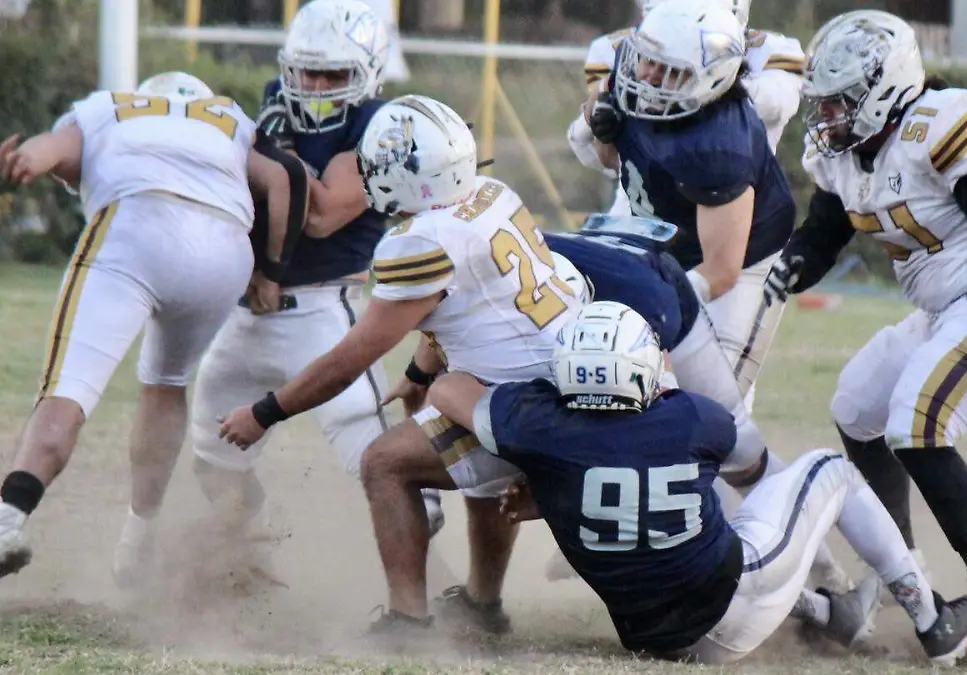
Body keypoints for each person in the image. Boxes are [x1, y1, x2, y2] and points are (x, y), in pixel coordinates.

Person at [763, 11, 967, 663]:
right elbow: (827, 229)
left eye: (840, 101)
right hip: (943, 309)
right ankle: (897, 567)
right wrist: (786, 268)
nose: (826, 117)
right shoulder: (849, 154)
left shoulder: (934, 124)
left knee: (918, 420)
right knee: (857, 404)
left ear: (883, 88)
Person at [424, 301, 967, 666]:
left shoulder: (540, 428)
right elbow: (653, 450)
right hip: (732, 608)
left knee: (702, 534)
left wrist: (546, 478)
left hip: (651, 636)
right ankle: (933, 619)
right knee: (826, 469)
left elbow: (448, 388)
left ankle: (827, 615)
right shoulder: (692, 419)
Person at [216, 94, 584, 636]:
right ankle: (482, 608)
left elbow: (348, 362)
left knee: (384, 462)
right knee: (465, 448)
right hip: (560, 385)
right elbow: (476, 310)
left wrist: (265, 413)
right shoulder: (492, 194)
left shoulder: (420, 242)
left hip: (525, 406)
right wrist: (417, 375)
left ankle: (407, 621)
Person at [119, 0, 411, 588]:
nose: (318, 86)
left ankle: (428, 592)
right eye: (308, 71)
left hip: (329, 315)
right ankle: (245, 557)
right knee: (215, 457)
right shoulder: (272, 104)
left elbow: (324, 213)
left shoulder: (382, 124)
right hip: (247, 312)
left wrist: (271, 156)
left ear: (367, 72)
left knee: (382, 463)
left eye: (334, 74)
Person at [0, 70, 300, 581]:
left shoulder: (110, 107)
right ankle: (137, 543)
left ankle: (8, 519)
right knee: (165, 383)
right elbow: (286, 177)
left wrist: (27, 160)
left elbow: (52, 151)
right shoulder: (227, 117)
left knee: (68, 391)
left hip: (136, 227)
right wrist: (271, 271)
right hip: (224, 250)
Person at [536, 218, 850, 592]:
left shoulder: (640, 306)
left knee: (719, 453)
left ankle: (831, 577)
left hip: (659, 311)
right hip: (631, 309)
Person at [586, 0, 796, 406]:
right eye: (645, 59)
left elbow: (721, 271)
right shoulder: (637, 76)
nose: (645, 74)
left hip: (746, 263)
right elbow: (612, 159)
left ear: (707, 79)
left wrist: (656, 316)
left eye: (667, 70)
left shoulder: (718, 146)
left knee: (713, 407)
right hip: (665, 240)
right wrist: (601, 127)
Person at [569, 0, 806, 217]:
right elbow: (593, 151)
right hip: (641, 214)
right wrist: (600, 120)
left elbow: (777, 105)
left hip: (734, 214)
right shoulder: (624, 50)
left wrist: (702, 86)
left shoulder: (767, 53)